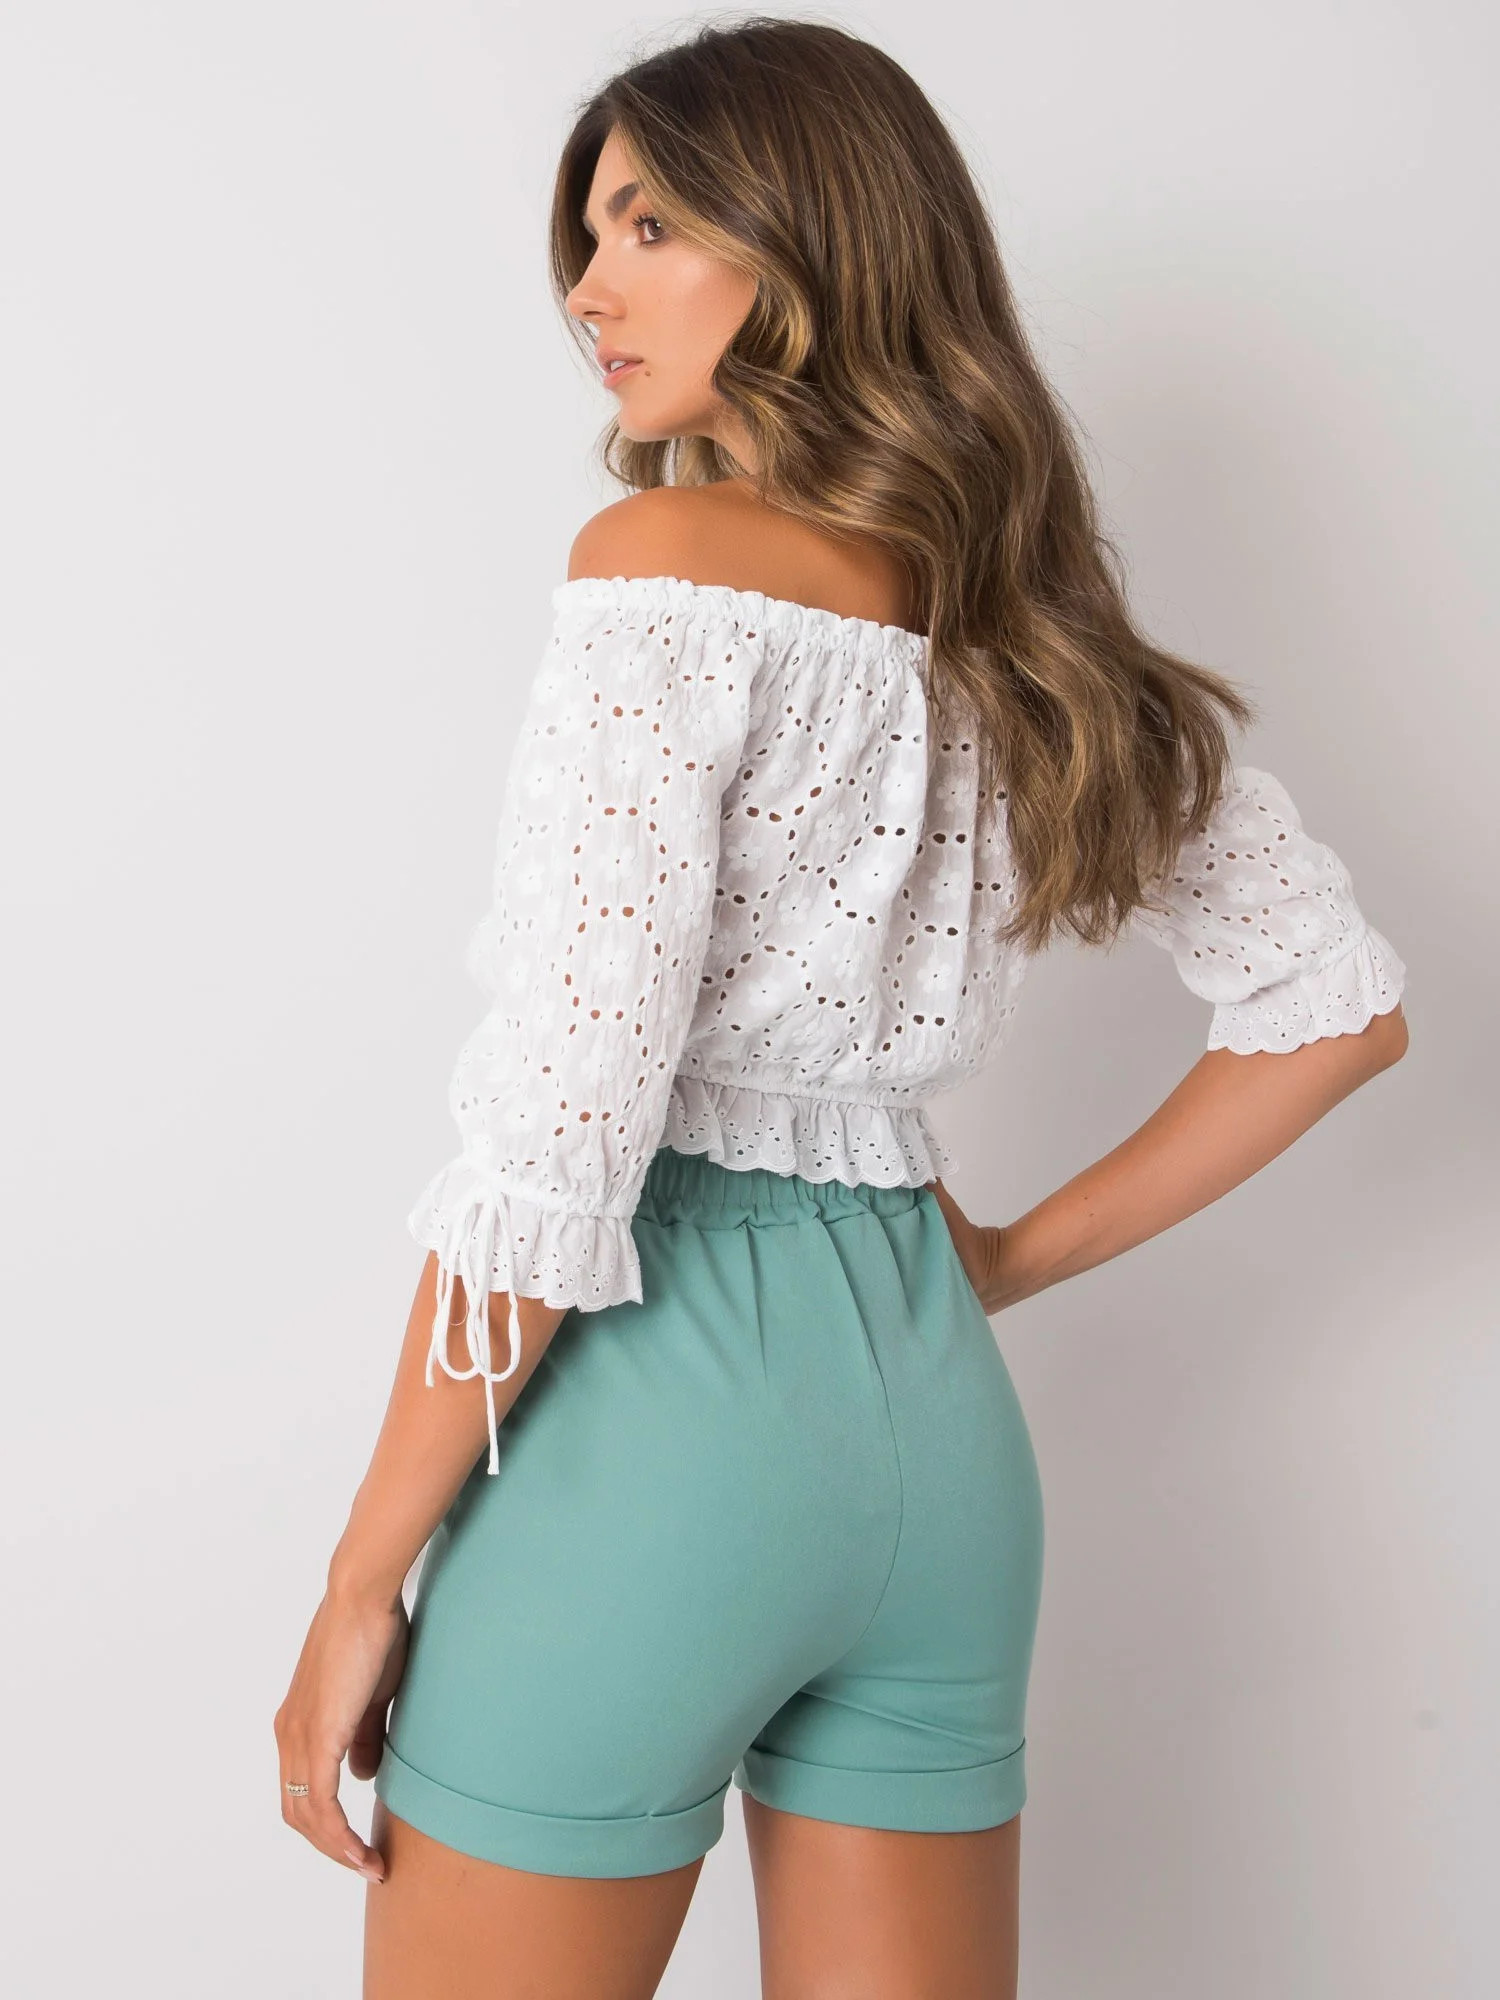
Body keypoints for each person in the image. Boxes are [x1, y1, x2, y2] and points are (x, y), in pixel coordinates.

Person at [273, 20, 1410, 1998]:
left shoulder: (662, 570)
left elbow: (560, 1139)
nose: (589, 287)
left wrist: (359, 1578)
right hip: (937, 1440)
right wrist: (996, 1263)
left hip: (653, 1422)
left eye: (651, 227)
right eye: (588, 236)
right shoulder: (1031, 627)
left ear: (808, 249)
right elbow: (1335, 1004)